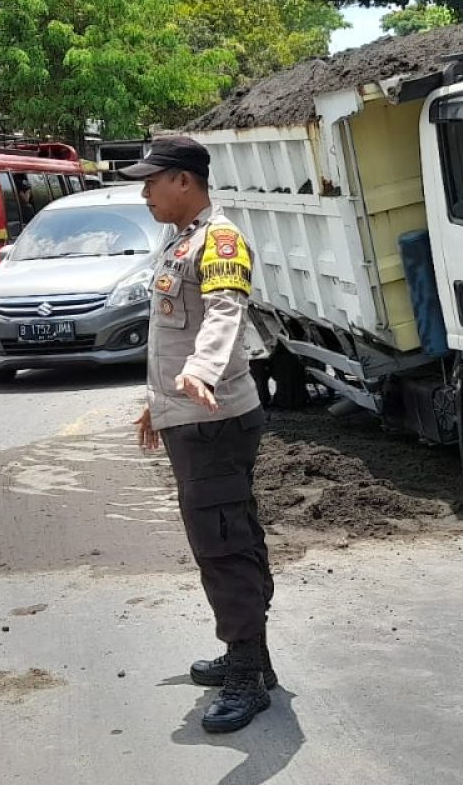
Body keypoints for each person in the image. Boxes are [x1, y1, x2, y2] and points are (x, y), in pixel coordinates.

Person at [123, 134, 274, 734]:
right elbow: (172, 331)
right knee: (232, 536)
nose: (144, 194)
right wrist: (158, 402)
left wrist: (201, 371)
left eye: (151, 182)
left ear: (184, 180)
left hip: (214, 420)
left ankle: (247, 678)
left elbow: (224, 312)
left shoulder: (220, 239)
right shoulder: (180, 238)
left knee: (222, 547)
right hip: (190, 414)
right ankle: (253, 659)